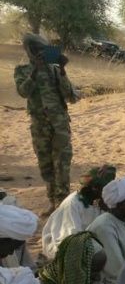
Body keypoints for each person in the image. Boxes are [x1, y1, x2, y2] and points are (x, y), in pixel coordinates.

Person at [14, 33, 78, 213]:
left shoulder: (55, 70)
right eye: (37, 50)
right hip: (39, 126)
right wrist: (34, 72)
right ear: (29, 51)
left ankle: (62, 205)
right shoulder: (22, 70)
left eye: (43, 49)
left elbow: (70, 96)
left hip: (59, 124)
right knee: (46, 165)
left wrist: (63, 70)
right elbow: (23, 92)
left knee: (62, 164)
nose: (40, 53)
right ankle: (52, 202)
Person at [41, 164, 116, 259]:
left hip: (87, 242)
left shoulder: (99, 202)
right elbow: (71, 239)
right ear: (95, 188)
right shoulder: (73, 204)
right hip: (63, 246)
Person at [0, 202, 38, 270]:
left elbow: (30, 269)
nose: (11, 253)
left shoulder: (14, 241)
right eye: (11, 248)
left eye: (15, 249)